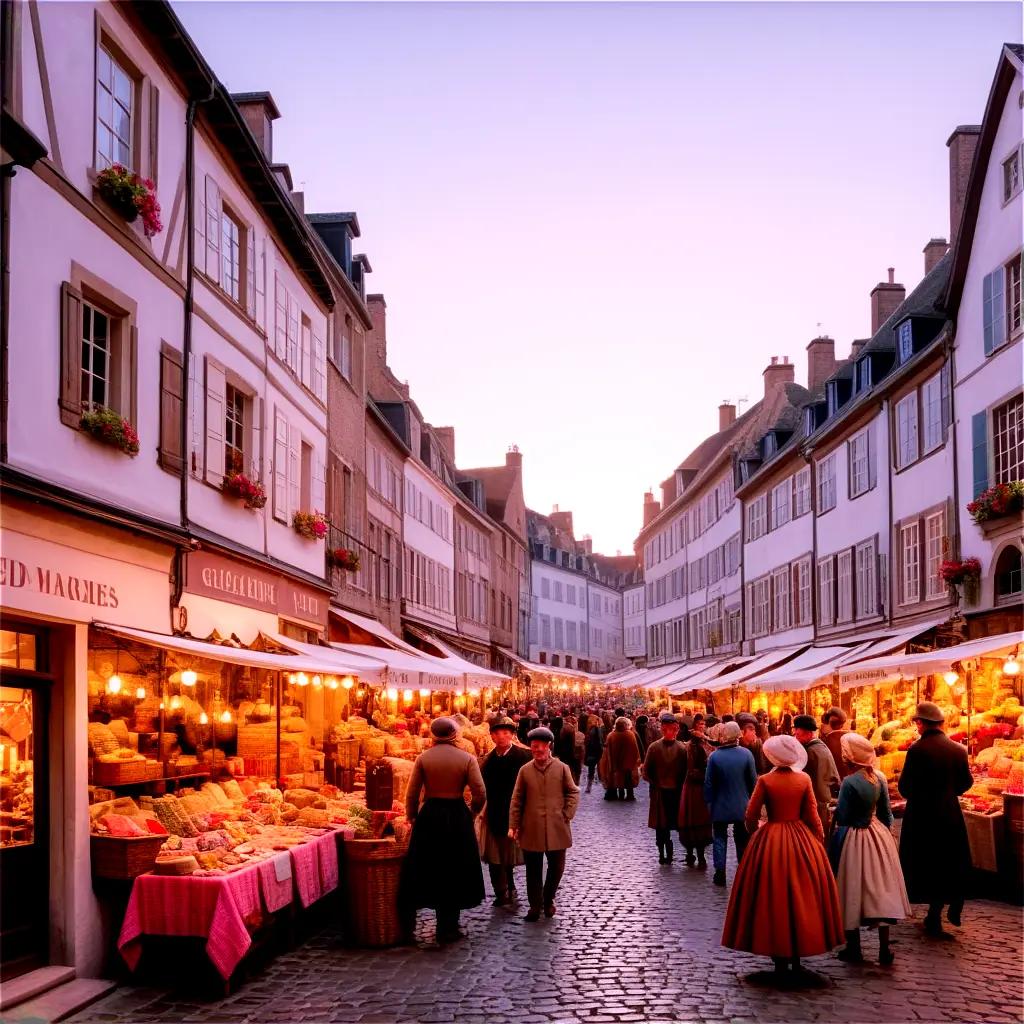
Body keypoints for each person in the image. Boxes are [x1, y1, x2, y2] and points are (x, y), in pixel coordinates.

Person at [721, 735, 845, 981]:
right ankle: (797, 957)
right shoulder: (803, 779)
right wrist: (818, 842)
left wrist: (754, 831)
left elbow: (751, 813)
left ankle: (778, 958)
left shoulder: (766, 780)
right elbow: (812, 815)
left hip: (772, 839)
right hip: (800, 839)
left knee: (772, 898)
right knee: (802, 897)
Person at [399, 717, 486, 943]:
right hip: (457, 814)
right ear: (455, 735)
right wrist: (472, 812)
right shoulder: (467, 758)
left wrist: (412, 816)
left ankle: (426, 910)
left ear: (433, 735)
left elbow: (412, 792)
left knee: (429, 865)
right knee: (455, 866)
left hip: (430, 814)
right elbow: (480, 792)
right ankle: (448, 924)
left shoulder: (423, 758)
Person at [831, 732, 910, 966]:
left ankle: (853, 947)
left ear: (850, 757)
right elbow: (886, 812)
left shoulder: (849, 782)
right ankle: (884, 948)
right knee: (881, 889)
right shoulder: (880, 778)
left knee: (852, 888)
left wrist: (835, 814)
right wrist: (887, 836)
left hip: (856, 838)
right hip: (878, 834)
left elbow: (844, 816)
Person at [898, 701, 973, 938]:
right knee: (948, 861)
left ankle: (932, 911)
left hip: (921, 815)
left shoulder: (916, 750)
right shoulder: (958, 750)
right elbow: (966, 783)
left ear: (922, 723)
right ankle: (938, 909)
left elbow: (904, 787)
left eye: (917, 723)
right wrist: (949, 792)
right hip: (949, 813)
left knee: (924, 861)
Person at [508, 727, 580, 922]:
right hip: (531, 828)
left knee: (557, 868)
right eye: (533, 748)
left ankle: (548, 899)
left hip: (557, 827)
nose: (536, 751)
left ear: (548, 747)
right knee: (533, 870)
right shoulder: (525, 770)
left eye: (540, 747)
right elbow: (517, 799)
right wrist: (513, 825)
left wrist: (567, 813)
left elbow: (573, 791)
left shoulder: (561, 768)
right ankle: (535, 906)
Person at [478, 716, 532, 907]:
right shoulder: (488, 761)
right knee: (495, 856)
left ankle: (511, 885)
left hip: (516, 813)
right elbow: (482, 788)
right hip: (494, 812)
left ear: (511, 735)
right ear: (492, 736)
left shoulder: (524, 757)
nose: (502, 736)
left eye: (506, 733)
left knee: (509, 854)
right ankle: (500, 892)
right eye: (498, 733)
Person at [703, 721, 757, 886]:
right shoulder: (746, 754)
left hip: (719, 805)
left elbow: (708, 784)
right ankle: (743, 869)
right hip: (742, 804)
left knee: (719, 837)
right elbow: (753, 781)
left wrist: (708, 802)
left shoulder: (715, 757)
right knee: (741, 838)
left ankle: (720, 872)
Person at [642, 712, 688, 864]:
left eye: (672, 729)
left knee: (667, 826)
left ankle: (667, 854)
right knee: (667, 826)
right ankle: (665, 854)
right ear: (663, 729)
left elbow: (645, 772)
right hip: (665, 793)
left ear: (676, 730)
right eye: (667, 729)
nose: (670, 732)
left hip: (668, 792)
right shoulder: (658, 748)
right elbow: (646, 772)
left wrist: (656, 782)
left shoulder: (679, 749)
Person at [793, 713, 840, 836]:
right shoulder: (820, 746)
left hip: (817, 802)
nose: (795, 737)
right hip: (824, 800)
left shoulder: (810, 752)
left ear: (808, 733)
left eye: (798, 734)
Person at [678, 718, 714, 869]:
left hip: (701, 787)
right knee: (693, 819)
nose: (702, 726)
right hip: (693, 788)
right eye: (700, 724)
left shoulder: (705, 742)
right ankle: (691, 853)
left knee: (701, 820)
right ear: (694, 727)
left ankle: (699, 854)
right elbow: (691, 770)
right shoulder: (691, 745)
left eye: (703, 724)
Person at [605, 716, 642, 801]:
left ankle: (620, 795)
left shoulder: (611, 735)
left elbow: (607, 750)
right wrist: (637, 760)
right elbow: (634, 748)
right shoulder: (630, 734)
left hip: (616, 763)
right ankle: (630, 795)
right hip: (628, 762)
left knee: (618, 779)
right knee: (628, 779)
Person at [822, 708, 854, 779]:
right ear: (843, 724)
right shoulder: (853, 738)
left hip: (832, 782)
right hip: (850, 781)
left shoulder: (823, 742)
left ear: (828, 723)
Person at [554, 715, 581, 784]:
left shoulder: (563, 728)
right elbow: (572, 742)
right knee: (571, 768)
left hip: (563, 752)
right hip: (569, 751)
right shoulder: (570, 729)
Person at [583, 714, 604, 793]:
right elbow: (599, 741)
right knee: (599, 769)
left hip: (590, 752)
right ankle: (602, 784)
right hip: (596, 751)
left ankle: (589, 786)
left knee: (591, 770)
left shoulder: (589, 730)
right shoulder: (596, 729)